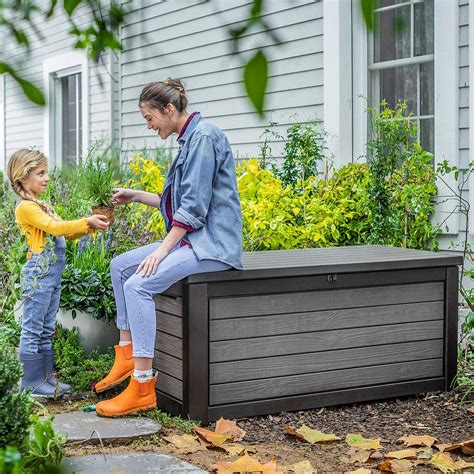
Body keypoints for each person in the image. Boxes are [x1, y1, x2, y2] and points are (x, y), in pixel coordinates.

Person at [94, 78, 243, 417]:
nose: (149, 126)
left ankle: (142, 384)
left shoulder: (203, 138)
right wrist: (135, 195)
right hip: (192, 240)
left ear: (170, 109)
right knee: (120, 266)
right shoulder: (189, 139)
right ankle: (127, 353)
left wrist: (161, 251)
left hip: (212, 246)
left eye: (149, 118)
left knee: (139, 283)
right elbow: (174, 201)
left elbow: (193, 209)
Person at [7, 149, 109, 397]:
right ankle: (32, 381)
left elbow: (67, 232)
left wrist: (91, 226)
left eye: (46, 173)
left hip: (51, 274)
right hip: (38, 273)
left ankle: (45, 379)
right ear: (22, 176)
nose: (46, 178)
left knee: (45, 327)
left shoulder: (42, 205)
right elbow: (55, 228)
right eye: (40, 173)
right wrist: (87, 221)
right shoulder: (26, 207)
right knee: (33, 327)